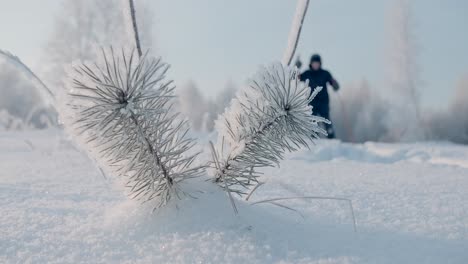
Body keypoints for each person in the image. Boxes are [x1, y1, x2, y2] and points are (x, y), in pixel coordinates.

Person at [299, 54, 340, 139]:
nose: (316, 65)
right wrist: (297, 67)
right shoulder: (307, 73)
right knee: (313, 122)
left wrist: (335, 85)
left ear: (320, 63)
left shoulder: (325, 73)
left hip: (323, 102)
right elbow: (296, 77)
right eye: (314, 63)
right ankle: (315, 140)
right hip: (312, 102)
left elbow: (332, 82)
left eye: (317, 63)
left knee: (326, 121)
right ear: (311, 64)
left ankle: (332, 138)